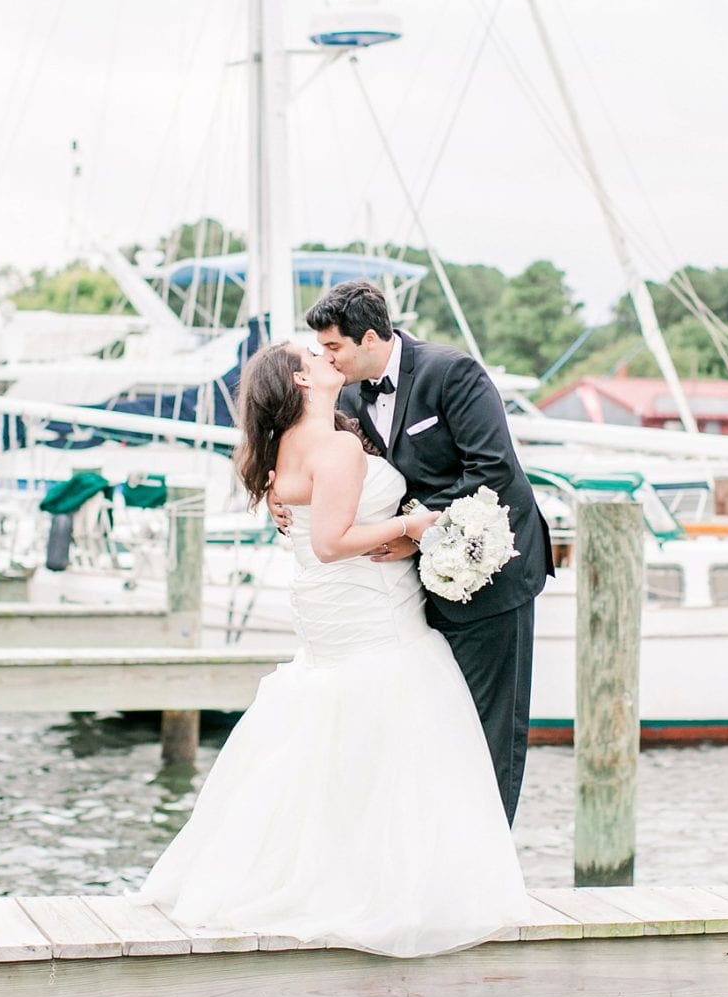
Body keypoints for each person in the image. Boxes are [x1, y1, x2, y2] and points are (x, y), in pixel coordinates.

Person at [132, 340, 530, 958]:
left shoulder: (286, 448)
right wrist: (413, 526)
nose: (328, 360)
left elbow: (312, 515)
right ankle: (392, 885)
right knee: (395, 741)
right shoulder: (338, 445)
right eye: (314, 356)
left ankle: (330, 871)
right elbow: (330, 541)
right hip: (371, 610)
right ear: (300, 379)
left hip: (334, 618)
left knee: (336, 738)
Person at [296, 280, 552, 825]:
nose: (327, 358)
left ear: (370, 338)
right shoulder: (345, 397)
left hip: (492, 572)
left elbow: (492, 470)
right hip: (414, 587)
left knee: (491, 729)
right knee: (436, 727)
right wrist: (283, 495)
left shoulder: (452, 373)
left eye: (334, 347)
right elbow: (332, 471)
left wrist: (409, 526)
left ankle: (489, 866)